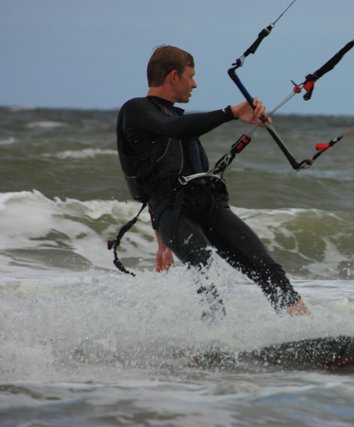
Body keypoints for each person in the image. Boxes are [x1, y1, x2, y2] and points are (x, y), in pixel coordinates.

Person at [116, 45, 310, 316]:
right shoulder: (136, 110)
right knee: (206, 271)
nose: (194, 84)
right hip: (174, 211)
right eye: (191, 76)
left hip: (208, 205)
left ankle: (303, 325)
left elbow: (168, 153)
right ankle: (212, 341)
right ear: (173, 76)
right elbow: (156, 181)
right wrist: (231, 112)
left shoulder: (178, 117)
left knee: (265, 266)